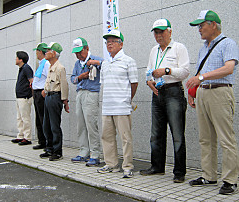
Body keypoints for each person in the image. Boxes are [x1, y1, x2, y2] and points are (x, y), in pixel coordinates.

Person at [186, 10, 239, 195]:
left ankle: (230, 180)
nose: (199, 29)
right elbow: (200, 74)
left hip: (220, 93)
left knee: (226, 138)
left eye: (202, 25)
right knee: (205, 138)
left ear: (213, 25)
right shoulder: (204, 48)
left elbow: (228, 68)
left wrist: (201, 77)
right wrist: (192, 91)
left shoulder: (228, 43)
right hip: (203, 93)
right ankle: (209, 176)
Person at [140, 19, 189, 183]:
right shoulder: (154, 50)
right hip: (157, 92)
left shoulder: (179, 48)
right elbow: (149, 70)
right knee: (156, 134)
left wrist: (167, 70)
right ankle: (157, 167)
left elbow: (185, 71)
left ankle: (179, 171)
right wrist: (148, 81)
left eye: (161, 31)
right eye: (156, 32)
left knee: (177, 134)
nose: (158, 35)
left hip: (174, 91)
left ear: (170, 31)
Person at [97, 30, 138, 178]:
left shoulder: (128, 61)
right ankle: (111, 164)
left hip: (122, 106)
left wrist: (126, 99)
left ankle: (127, 166)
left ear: (121, 44)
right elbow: (103, 84)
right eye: (107, 41)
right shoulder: (105, 63)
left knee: (125, 138)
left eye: (113, 41)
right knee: (106, 137)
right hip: (107, 107)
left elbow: (134, 83)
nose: (109, 43)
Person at [70, 37, 103, 166]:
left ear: (87, 48)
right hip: (80, 93)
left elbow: (106, 65)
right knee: (81, 124)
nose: (78, 55)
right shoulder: (78, 64)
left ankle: (95, 153)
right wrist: (80, 77)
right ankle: (84, 151)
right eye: (76, 52)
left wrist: (96, 63)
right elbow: (72, 78)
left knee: (91, 124)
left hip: (91, 93)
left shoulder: (94, 59)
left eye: (80, 51)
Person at [39, 42, 69, 161]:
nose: (46, 52)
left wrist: (65, 102)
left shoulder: (60, 68)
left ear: (54, 53)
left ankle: (57, 151)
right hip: (48, 96)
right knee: (46, 125)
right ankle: (49, 148)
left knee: (54, 125)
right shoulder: (50, 66)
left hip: (55, 97)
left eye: (48, 50)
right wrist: (45, 90)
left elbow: (64, 86)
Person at [12, 51, 34, 146]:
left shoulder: (26, 68)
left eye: (16, 58)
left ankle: (27, 137)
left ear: (21, 59)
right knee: (19, 117)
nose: (15, 59)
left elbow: (32, 81)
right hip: (19, 96)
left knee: (25, 117)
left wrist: (30, 95)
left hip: (25, 97)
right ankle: (20, 135)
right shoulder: (21, 68)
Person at [32, 43, 50, 150]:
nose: (36, 53)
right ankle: (41, 141)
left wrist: (44, 89)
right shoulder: (41, 63)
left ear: (41, 52)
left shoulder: (46, 64)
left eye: (37, 51)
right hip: (37, 93)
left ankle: (46, 142)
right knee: (38, 119)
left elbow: (49, 77)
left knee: (43, 118)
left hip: (41, 93)